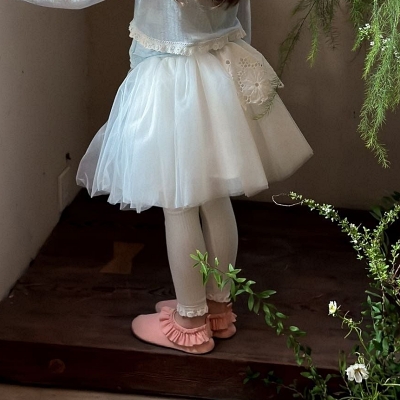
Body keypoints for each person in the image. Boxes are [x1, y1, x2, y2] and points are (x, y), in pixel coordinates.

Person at [20, 0, 313, 354]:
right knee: (215, 198)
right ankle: (218, 308)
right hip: (221, 74)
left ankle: (190, 322)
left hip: (170, 86)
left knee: (179, 203)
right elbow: (243, 23)